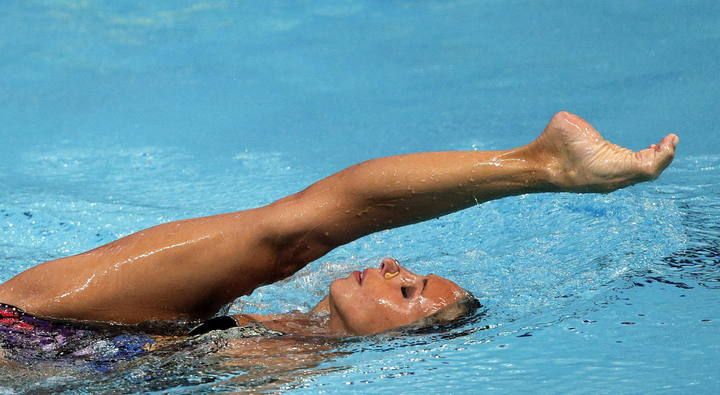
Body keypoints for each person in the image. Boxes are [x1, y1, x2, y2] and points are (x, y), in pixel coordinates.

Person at [0, 112, 678, 342]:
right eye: (410, 273)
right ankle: (539, 163)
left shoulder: (283, 361)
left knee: (289, 236)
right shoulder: (277, 337)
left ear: (398, 347)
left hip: (45, 338)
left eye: (409, 293)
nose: (393, 268)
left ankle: (544, 164)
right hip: (50, 335)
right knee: (286, 236)